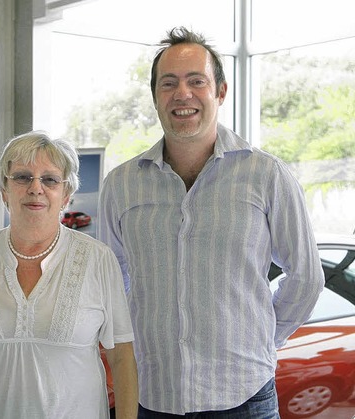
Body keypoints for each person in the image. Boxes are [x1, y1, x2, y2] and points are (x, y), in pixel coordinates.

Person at [98, 27, 325, 418]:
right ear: (155, 97)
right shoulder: (121, 185)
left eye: (196, 81)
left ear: (220, 92)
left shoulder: (268, 175)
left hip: (244, 397)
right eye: (168, 83)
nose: (181, 94)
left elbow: (306, 277)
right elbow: (113, 281)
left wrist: (260, 341)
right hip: (153, 396)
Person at [0, 131, 138, 419]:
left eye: (50, 179)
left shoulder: (98, 259)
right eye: (21, 177)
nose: (35, 188)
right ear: (4, 190)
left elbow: (122, 358)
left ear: (66, 194)